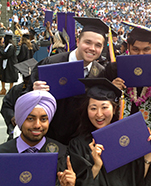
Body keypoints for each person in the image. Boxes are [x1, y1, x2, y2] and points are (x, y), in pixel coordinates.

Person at [26, 17, 109, 145]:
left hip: (82, 143)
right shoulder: (51, 64)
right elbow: (23, 99)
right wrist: (33, 93)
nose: (92, 48)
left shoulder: (101, 73)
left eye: (98, 45)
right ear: (78, 41)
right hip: (49, 138)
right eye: (88, 42)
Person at [68, 78, 151, 186]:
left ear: (114, 108)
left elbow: (137, 180)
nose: (99, 114)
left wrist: (149, 156)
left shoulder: (125, 139)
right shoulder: (78, 145)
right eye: (93, 108)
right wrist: (97, 166)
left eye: (104, 107)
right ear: (86, 110)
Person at [104, 22, 151, 134]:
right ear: (128, 47)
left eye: (146, 49)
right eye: (136, 49)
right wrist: (112, 90)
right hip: (120, 128)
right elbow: (104, 101)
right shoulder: (115, 67)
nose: (141, 54)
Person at [0, 90, 76, 186]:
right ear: (20, 119)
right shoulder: (3, 153)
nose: (37, 125)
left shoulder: (61, 153)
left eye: (43, 119)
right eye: (30, 119)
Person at [1, 58, 38, 140]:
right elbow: (6, 106)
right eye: (26, 79)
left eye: (30, 79)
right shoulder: (16, 90)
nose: (29, 81)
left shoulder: (42, 91)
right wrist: (12, 117)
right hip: (17, 130)